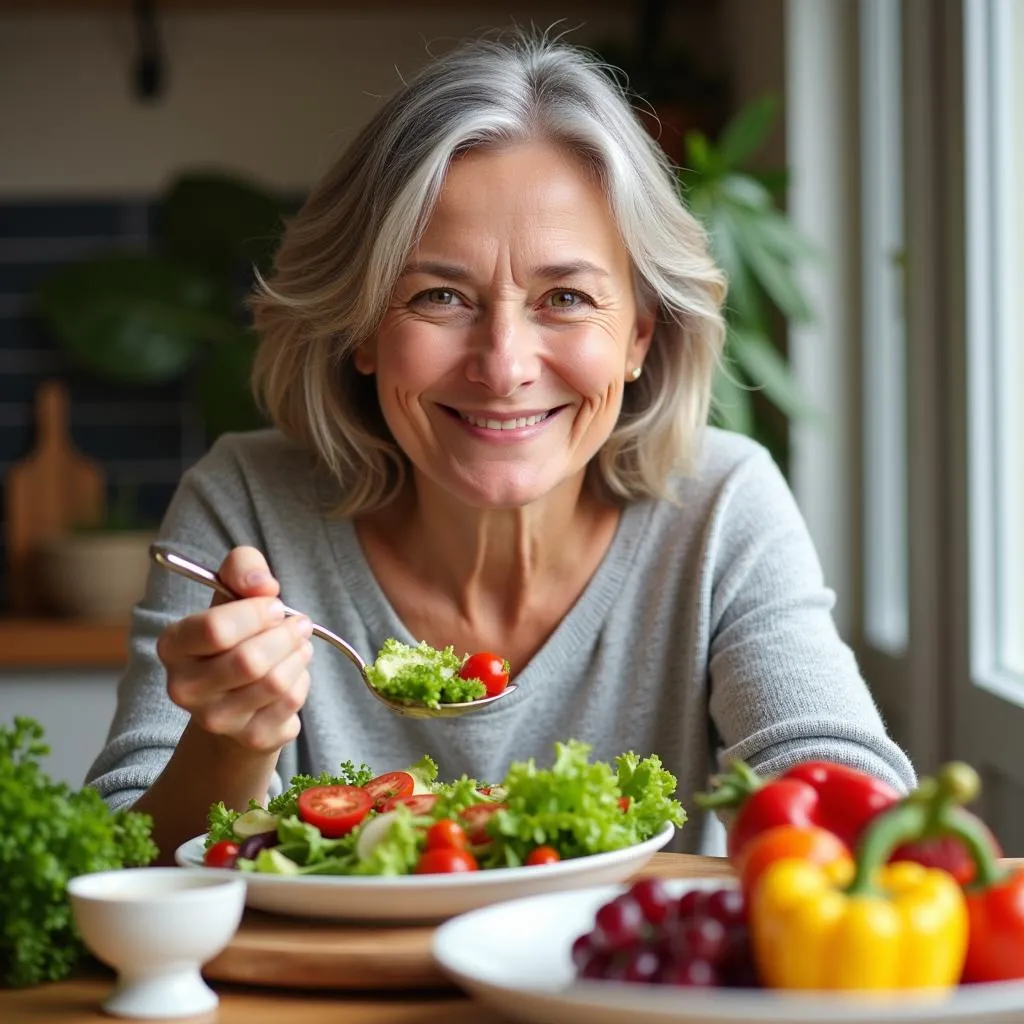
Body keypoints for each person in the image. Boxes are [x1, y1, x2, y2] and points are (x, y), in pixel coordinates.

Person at [86, 32, 916, 861]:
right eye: (441, 295)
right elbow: (118, 868)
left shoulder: (722, 505)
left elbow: (842, 788)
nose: (504, 366)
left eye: (565, 296)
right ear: (363, 328)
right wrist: (232, 740)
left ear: (638, 336)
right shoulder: (247, 506)